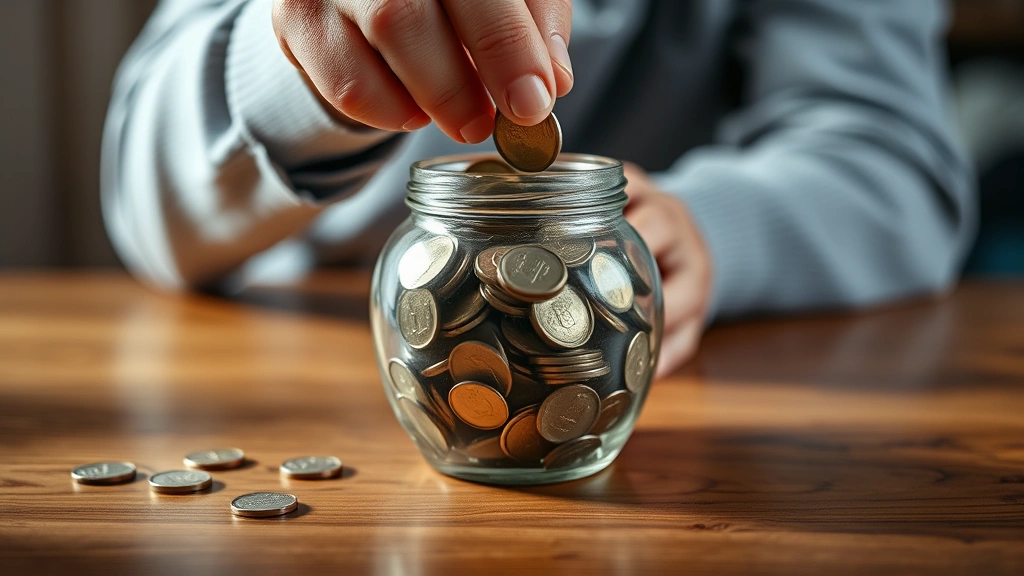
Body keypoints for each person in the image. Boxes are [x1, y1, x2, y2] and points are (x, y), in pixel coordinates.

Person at [102, 0, 975, 377]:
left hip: (629, 324)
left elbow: (892, 156)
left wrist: (710, 228)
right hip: (288, 324)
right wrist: (299, 69)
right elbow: (142, 199)